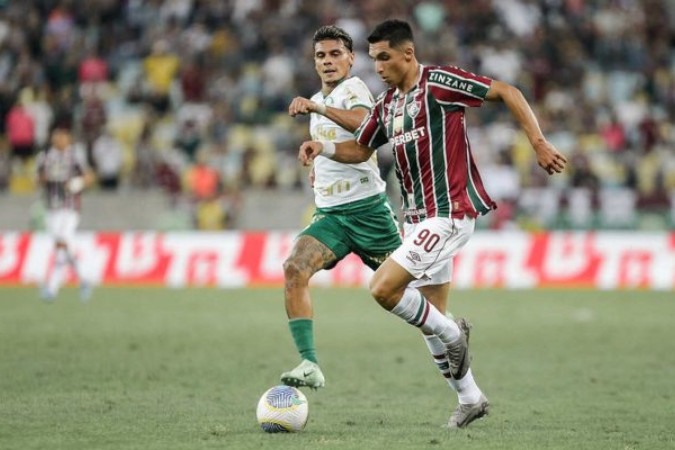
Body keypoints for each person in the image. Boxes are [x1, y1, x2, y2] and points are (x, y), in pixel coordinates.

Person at [298, 19, 568, 429]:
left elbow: (507, 92)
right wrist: (324, 147)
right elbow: (360, 148)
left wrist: (538, 141)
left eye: (384, 57)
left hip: (451, 213)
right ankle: (471, 397)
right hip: (418, 219)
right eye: (373, 60)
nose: (378, 67)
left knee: (385, 288)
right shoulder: (388, 104)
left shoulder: (440, 82)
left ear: (408, 53)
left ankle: (456, 332)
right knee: (429, 321)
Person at [279, 25, 403, 390]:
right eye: (321, 56)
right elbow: (337, 149)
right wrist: (317, 160)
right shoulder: (322, 104)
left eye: (336, 54)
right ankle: (309, 363)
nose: (328, 61)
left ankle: (448, 332)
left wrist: (319, 112)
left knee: (406, 294)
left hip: (368, 213)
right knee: (294, 268)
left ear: (351, 58)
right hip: (332, 215)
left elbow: (365, 135)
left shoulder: (354, 90)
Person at [36, 124, 96, 302]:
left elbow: (89, 176)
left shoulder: (75, 155)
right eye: (57, 135)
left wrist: (77, 183)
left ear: (68, 138)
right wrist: (45, 179)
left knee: (63, 242)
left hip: (70, 207)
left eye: (63, 136)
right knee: (62, 246)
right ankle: (84, 279)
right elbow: (37, 178)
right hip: (52, 207)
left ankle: (52, 288)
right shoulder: (45, 156)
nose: (60, 139)